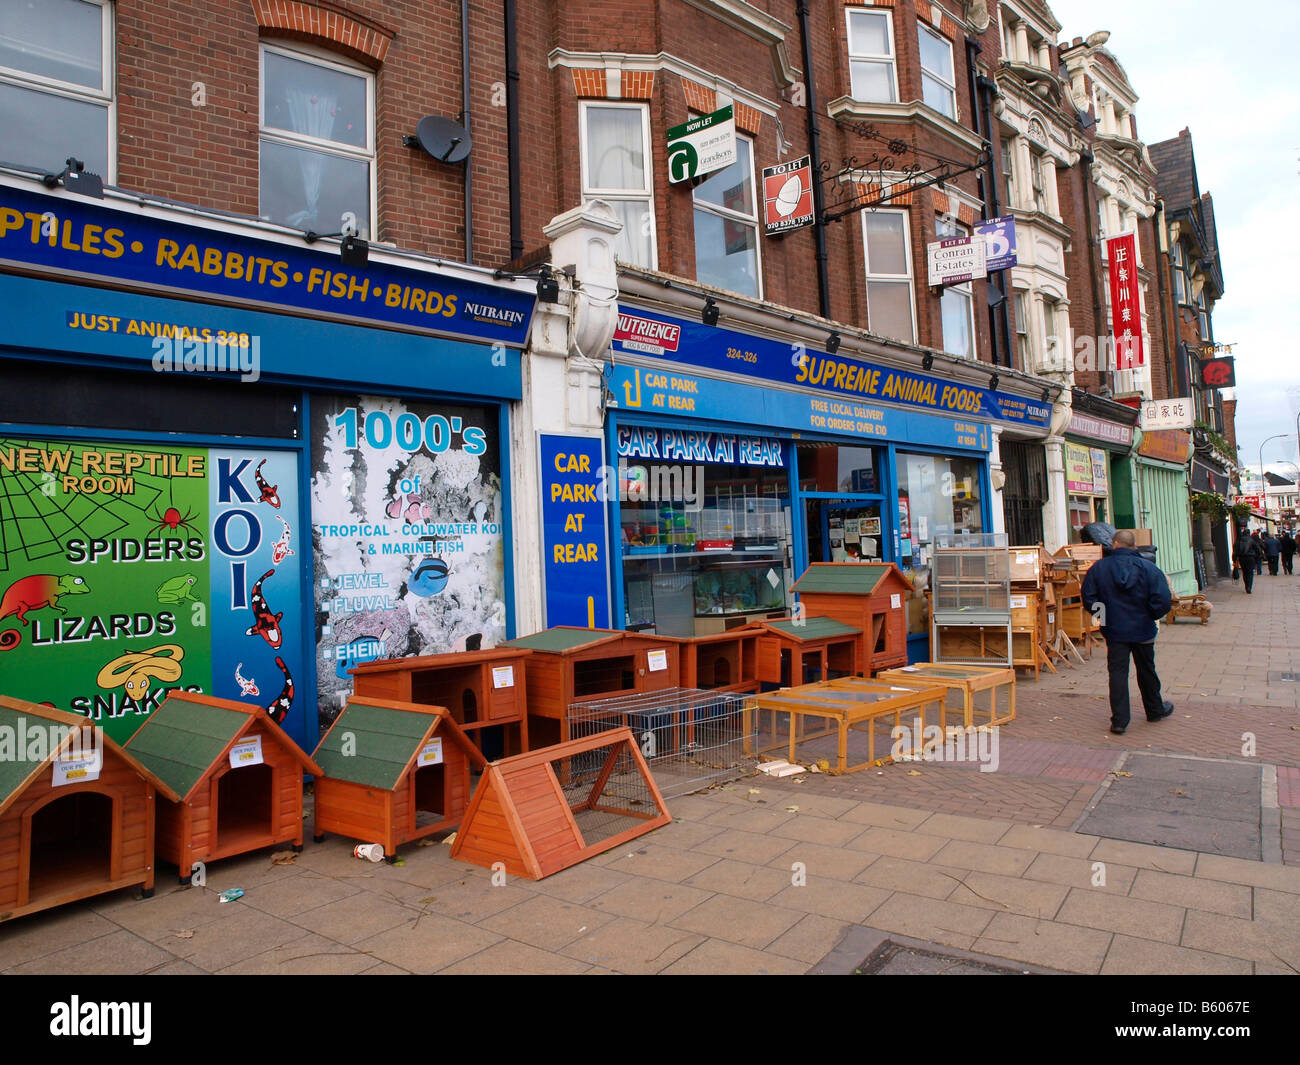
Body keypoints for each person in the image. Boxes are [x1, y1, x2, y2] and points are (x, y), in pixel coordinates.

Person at [1082, 529, 1175, 735]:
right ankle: (1154, 709)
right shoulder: (1148, 568)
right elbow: (1162, 599)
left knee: (1117, 673)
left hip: (1115, 630)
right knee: (1147, 670)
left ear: (1115, 544)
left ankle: (1120, 721)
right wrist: (1150, 615)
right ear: (1133, 546)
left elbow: (1089, 597)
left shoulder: (1099, 568)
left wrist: (1103, 618)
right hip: (1143, 629)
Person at [1234, 525, 1261, 594]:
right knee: (1250, 572)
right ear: (1248, 533)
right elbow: (1258, 549)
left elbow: (1235, 550)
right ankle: (1249, 587)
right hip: (1250, 558)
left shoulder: (1238, 540)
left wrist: (1234, 559)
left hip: (1242, 558)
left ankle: (1246, 585)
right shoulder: (1251, 540)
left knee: (1244, 572)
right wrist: (1257, 556)